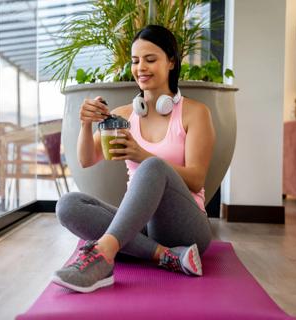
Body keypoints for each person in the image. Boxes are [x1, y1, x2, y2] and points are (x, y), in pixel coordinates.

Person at [52, 25, 215, 293]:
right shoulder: (124, 114)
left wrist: (143, 155)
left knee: (152, 166)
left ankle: (103, 255)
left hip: (187, 227)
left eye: (150, 59)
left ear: (171, 62)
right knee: (68, 205)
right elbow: (86, 159)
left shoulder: (195, 113)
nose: (141, 68)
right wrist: (85, 124)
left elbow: (197, 181)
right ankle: (166, 255)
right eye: (136, 61)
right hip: (141, 227)